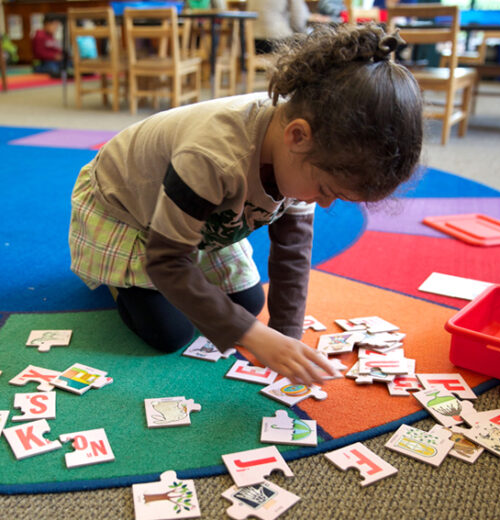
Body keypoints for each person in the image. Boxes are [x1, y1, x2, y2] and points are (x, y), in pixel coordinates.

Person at [68, 23, 423, 387]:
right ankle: (118, 282)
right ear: (296, 136)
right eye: (325, 190)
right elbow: (166, 259)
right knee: (168, 334)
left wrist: (285, 335)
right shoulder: (213, 156)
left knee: (248, 305)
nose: (325, 203)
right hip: (126, 208)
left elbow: (292, 251)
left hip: (202, 214)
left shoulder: (313, 151)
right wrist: (255, 337)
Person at [32, 14, 64, 78]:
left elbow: (56, 49)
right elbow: (39, 52)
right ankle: (38, 69)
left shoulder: (51, 36)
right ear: (47, 24)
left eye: (57, 26)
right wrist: (54, 56)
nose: (56, 28)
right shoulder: (40, 36)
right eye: (54, 25)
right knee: (53, 69)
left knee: (68, 64)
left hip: (55, 61)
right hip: (44, 62)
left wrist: (61, 54)